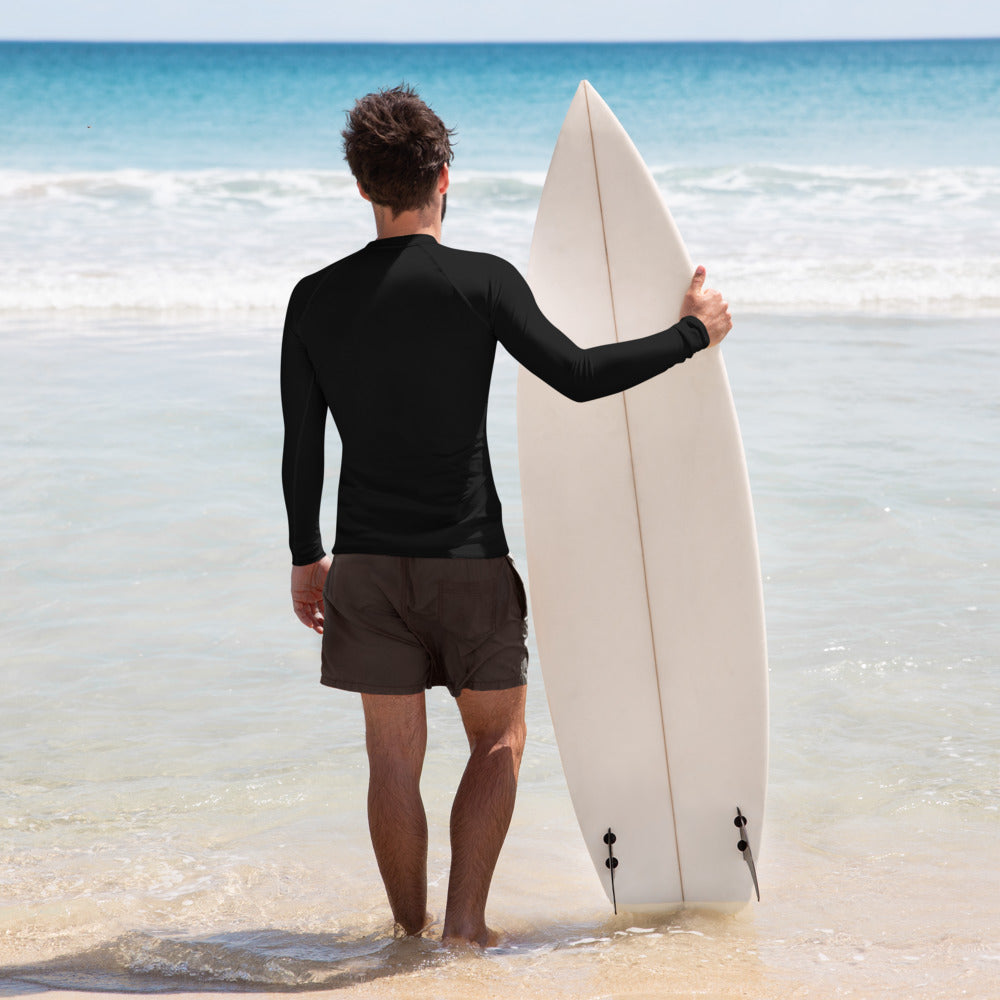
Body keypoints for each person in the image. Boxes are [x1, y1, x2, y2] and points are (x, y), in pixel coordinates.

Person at [280, 84, 732, 948]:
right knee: (499, 743)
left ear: (361, 185)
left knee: (391, 759)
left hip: (367, 566)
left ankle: (406, 936)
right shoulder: (480, 282)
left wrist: (308, 557)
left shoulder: (315, 297)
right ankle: (464, 930)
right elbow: (577, 374)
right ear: (444, 175)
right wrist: (691, 335)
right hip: (469, 564)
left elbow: (304, 444)